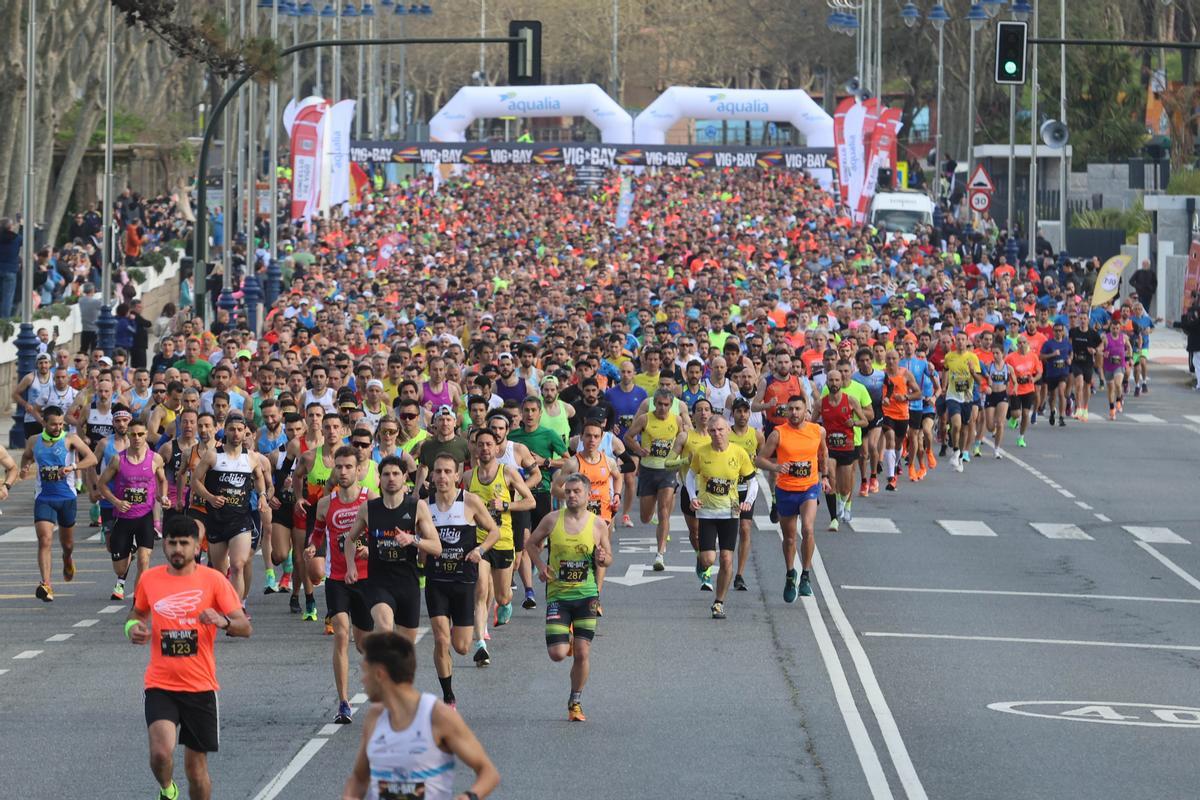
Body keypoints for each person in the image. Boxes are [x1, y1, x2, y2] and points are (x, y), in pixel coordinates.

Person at [125, 514, 251, 800]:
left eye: (184, 543)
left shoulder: (214, 581)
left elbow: (245, 627)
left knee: (196, 770)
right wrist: (133, 628)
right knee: (159, 753)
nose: (178, 549)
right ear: (164, 546)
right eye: (172, 543)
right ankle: (168, 791)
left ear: (197, 547)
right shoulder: (150, 579)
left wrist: (223, 622)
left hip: (200, 687)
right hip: (160, 684)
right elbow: (136, 614)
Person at [340, 631, 500, 800]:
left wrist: (469, 797)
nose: (362, 680)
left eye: (365, 672)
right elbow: (359, 778)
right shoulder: (375, 717)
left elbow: (488, 772)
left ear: (380, 674)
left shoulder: (437, 716)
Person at [524, 472, 613, 722]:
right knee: (557, 654)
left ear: (587, 495)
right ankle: (569, 639)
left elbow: (608, 555)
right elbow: (531, 544)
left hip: (586, 595)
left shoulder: (598, 524)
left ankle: (575, 701)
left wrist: (604, 559)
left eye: (577, 492)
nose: (572, 496)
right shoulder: (552, 520)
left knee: (583, 653)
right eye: (568, 492)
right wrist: (541, 567)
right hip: (559, 595)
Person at [421, 452, 500, 707]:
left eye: (447, 472)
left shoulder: (470, 501)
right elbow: (416, 538)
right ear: (431, 476)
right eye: (438, 471)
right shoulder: (424, 505)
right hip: (436, 582)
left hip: (464, 582)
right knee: (441, 639)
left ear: (457, 475)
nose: (442, 476)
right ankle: (448, 696)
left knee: (463, 647)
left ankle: (459, 628)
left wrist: (480, 550)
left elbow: (494, 531)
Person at [308, 445, 377, 724]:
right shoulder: (326, 503)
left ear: (359, 470)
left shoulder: (369, 500)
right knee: (340, 633)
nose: (344, 472)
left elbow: (381, 535)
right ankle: (343, 702)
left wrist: (368, 549)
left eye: (349, 467)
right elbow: (316, 535)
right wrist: (312, 549)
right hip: (337, 578)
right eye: (339, 467)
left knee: (363, 644)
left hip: (365, 579)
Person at [345, 455, 443, 640]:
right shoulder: (368, 508)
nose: (391, 478)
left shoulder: (417, 507)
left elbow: (437, 548)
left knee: (405, 648)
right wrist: (352, 565)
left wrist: (413, 539)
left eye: (396, 474)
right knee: (384, 626)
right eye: (386, 474)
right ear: (379, 478)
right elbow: (350, 539)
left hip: (407, 582)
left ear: (405, 476)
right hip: (378, 581)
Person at [466, 428, 535, 666]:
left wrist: (506, 504)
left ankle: (503, 604)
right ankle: (480, 644)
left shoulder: (508, 473)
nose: (484, 448)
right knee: (481, 589)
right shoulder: (467, 478)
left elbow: (530, 501)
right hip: (478, 541)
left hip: (504, 540)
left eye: (488, 444)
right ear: (474, 448)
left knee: (503, 595)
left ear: (496, 448)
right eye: (480, 444)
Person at [756, 395, 829, 602]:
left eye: (798, 408)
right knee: (789, 538)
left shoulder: (817, 431)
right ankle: (790, 574)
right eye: (791, 409)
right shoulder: (778, 434)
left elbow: (823, 452)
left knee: (807, 529)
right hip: (786, 490)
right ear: (786, 411)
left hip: (809, 488)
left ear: (806, 410)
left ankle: (805, 575)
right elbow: (760, 459)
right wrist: (776, 467)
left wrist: (825, 477)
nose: (794, 413)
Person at [189, 413, 268, 604]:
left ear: (244, 432)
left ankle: (236, 608)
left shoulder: (251, 458)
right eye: (232, 429)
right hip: (216, 518)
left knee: (238, 565)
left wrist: (263, 496)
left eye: (240, 430)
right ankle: (224, 600)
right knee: (220, 570)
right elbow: (194, 481)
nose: (236, 433)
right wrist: (210, 497)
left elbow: (259, 477)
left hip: (240, 518)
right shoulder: (213, 456)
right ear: (225, 430)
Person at [21, 406, 97, 601]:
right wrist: (25, 467)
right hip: (44, 498)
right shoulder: (34, 440)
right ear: (44, 423)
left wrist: (73, 467)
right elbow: (27, 456)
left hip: (66, 498)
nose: (58, 427)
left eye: (61, 423)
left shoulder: (70, 439)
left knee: (67, 544)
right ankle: (46, 584)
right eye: (54, 424)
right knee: (45, 539)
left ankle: (67, 558)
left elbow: (92, 458)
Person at [684, 415, 756, 619]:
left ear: (728, 431)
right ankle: (701, 562)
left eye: (721, 430)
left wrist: (748, 501)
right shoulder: (701, 452)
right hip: (706, 512)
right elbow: (690, 476)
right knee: (708, 559)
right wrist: (692, 496)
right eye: (712, 430)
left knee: (726, 559)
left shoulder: (738, 453)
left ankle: (719, 602)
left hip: (730, 512)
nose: (717, 434)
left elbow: (753, 481)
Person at [96, 417, 169, 602]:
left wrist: (163, 496)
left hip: (144, 517)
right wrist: (116, 501)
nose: (137, 438)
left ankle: (139, 599)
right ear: (128, 435)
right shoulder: (118, 460)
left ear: (146, 435)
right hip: (123, 517)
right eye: (133, 434)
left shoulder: (155, 458)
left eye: (140, 434)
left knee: (145, 560)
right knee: (120, 568)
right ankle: (125, 565)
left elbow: (162, 480)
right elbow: (102, 484)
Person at [552, 419, 621, 614]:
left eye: (596, 436)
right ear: (581, 438)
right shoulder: (573, 463)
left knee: (600, 555)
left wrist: (617, 495)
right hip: (578, 517)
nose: (592, 440)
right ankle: (573, 593)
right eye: (588, 436)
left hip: (603, 517)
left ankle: (595, 597)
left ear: (601, 439)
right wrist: (572, 498)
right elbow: (555, 488)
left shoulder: (608, 461)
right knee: (581, 555)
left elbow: (618, 476)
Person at [623, 387, 686, 571]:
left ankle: (660, 554)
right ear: (654, 403)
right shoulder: (645, 419)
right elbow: (628, 436)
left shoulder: (677, 420)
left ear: (671, 405)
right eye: (659, 404)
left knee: (664, 511)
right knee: (645, 517)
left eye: (667, 405)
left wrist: (679, 459)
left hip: (667, 471)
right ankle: (652, 519)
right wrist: (638, 449)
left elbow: (682, 440)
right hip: (648, 471)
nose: (663, 408)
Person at [12, 352, 55, 439]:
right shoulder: (30, 378)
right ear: (37, 364)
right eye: (41, 363)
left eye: (46, 362)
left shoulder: (54, 378)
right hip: (32, 418)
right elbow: (15, 394)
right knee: (32, 449)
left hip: (50, 418)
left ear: (50, 364)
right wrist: (26, 404)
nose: (43, 366)